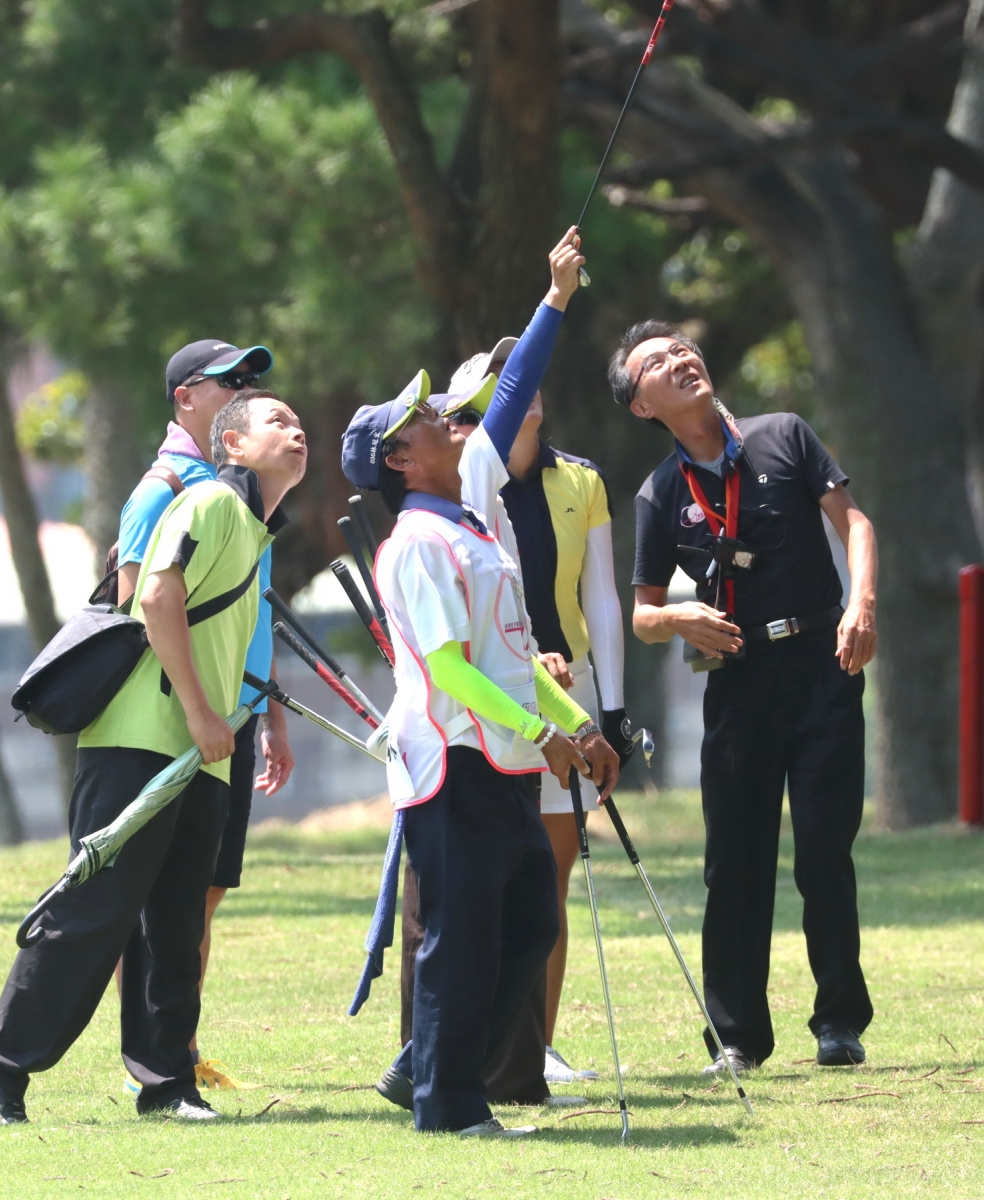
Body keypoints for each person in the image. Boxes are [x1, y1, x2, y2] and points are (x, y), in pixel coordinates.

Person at [0, 389, 308, 1125]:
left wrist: (233, 723)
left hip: (200, 750)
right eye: (277, 421)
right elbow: (154, 597)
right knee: (95, 911)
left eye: (298, 422)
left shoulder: (254, 528)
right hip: (140, 739)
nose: (296, 430)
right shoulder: (209, 503)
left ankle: (167, 1079)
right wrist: (202, 711)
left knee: (174, 925)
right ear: (232, 445)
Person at [341, 228, 620, 1137]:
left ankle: (433, 1068)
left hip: (503, 759)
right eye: (425, 420)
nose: (445, 421)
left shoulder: (468, 518)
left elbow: (511, 650)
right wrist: (546, 736)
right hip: (455, 760)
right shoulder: (418, 540)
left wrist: (579, 721)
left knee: (530, 924)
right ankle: (447, 1103)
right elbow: (454, 670)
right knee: (459, 939)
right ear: (400, 459)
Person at [609, 320, 877, 1072]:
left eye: (681, 349)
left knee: (825, 850)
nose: (680, 360)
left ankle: (838, 1024)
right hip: (737, 681)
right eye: (656, 363)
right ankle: (735, 1038)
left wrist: (861, 605)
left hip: (824, 664)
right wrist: (679, 617)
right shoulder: (659, 492)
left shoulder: (783, 434)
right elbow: (642, 615)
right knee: (734, 860)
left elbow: (852, 523)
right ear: (640, 405)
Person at [448, 342, 633, 1087]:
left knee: (549, 877)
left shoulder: (580, 477)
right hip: (500, 692)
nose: (521, 390)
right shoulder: (464, 482)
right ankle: (493, 1046)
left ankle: (538, 1045)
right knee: (498, 875)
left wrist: (609, 709)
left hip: (571, 690)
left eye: (524, 377)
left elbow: (601, 597)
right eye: (501, 382)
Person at [116, 341, 294, 1093]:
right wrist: (191, 708)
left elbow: (256, 613)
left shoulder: (248, 493)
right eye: (229, 383)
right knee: (153, 895)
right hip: (177, 716)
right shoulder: (163, 488)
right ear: (186, 397)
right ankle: (151, 1058)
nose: (244, 392)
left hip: (237, 705)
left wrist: (271, 711)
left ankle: (176, 1044)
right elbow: (135, 603)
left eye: (251, 382)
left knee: (205, 888)